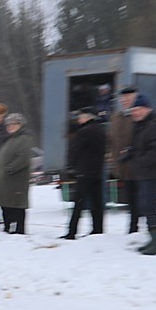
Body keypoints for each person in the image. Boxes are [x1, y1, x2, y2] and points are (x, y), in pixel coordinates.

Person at [127, 94, 156, 255]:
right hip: (142, 172)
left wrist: (140, 161)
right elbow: (140, 147)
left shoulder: (154, 125)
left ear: (147, 109)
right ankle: (152, 239)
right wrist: (130, 154)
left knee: (149, 207)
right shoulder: (141, 126)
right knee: (144, 206)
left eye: (138, 109)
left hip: (150, 172)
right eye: (134, 110)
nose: (135, 112)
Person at [60, 109, 106, 239]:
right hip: (97, 172)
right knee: (97, 203)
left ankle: (72, 231)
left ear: (87, 118)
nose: (79, 120)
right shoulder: (100, 130)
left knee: (78, 203)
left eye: (80, 117)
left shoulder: (83, 132)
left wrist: (69, 167)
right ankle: (98, 229)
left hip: (84, 173)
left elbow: (74, 150)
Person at [0, 113, 33, 234]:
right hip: (6, 181)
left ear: (20, 125)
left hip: (16, 180)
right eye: (8, 125)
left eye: (14, 124)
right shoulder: (10, 139)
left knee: (18, 205)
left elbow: (24, 157)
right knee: (6, 204)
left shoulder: (24, 138)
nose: (10, 127)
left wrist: (11, 168)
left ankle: (19, 230)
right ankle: (8, 227)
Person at [110, 86, 141, 233]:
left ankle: (137, 228)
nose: (126, 101)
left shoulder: (139, 116)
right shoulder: (116, 117)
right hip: (122, 166)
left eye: (129, 98)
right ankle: (132, 228)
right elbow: (112, 140)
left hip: (137, 165)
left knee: (140, 201)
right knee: (129, 200)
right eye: (124, 98)